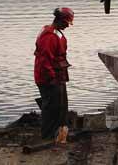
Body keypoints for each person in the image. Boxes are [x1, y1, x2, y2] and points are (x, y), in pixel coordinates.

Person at [34, 7, 74, 140]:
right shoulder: (49, 36)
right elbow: (45, 60)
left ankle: (59, 132)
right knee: (51, 107)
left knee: (60, 106)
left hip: (58, 75)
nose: (68, 25)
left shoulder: (56, 33)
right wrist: (51, 77)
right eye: (67, 23)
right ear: (60, 20)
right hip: (48, 77)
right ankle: (48, 135)